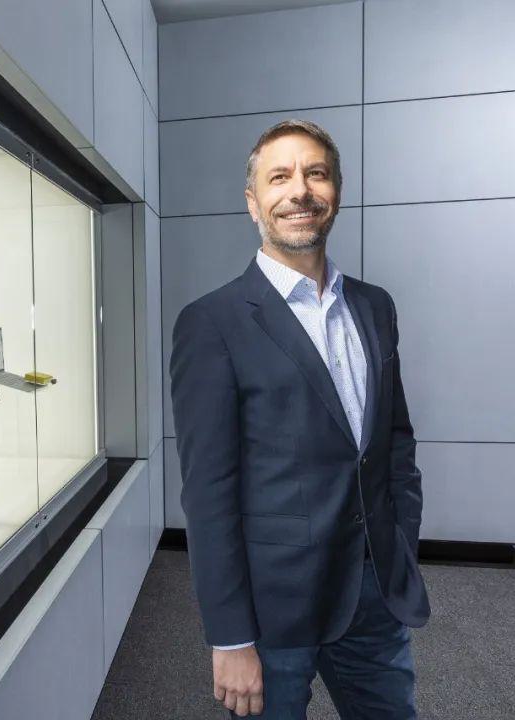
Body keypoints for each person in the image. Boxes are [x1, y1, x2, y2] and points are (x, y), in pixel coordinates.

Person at [169, 119, 431, 719]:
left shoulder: (375, 306)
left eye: (316, 173)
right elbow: (208, 492)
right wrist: (229, 637)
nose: (300, 191)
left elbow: (394, 442)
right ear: (253, 202)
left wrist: (401, 544)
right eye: (279, 177)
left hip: (373, 591)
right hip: (272, 612)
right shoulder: (212, 323)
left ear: (336, 190)